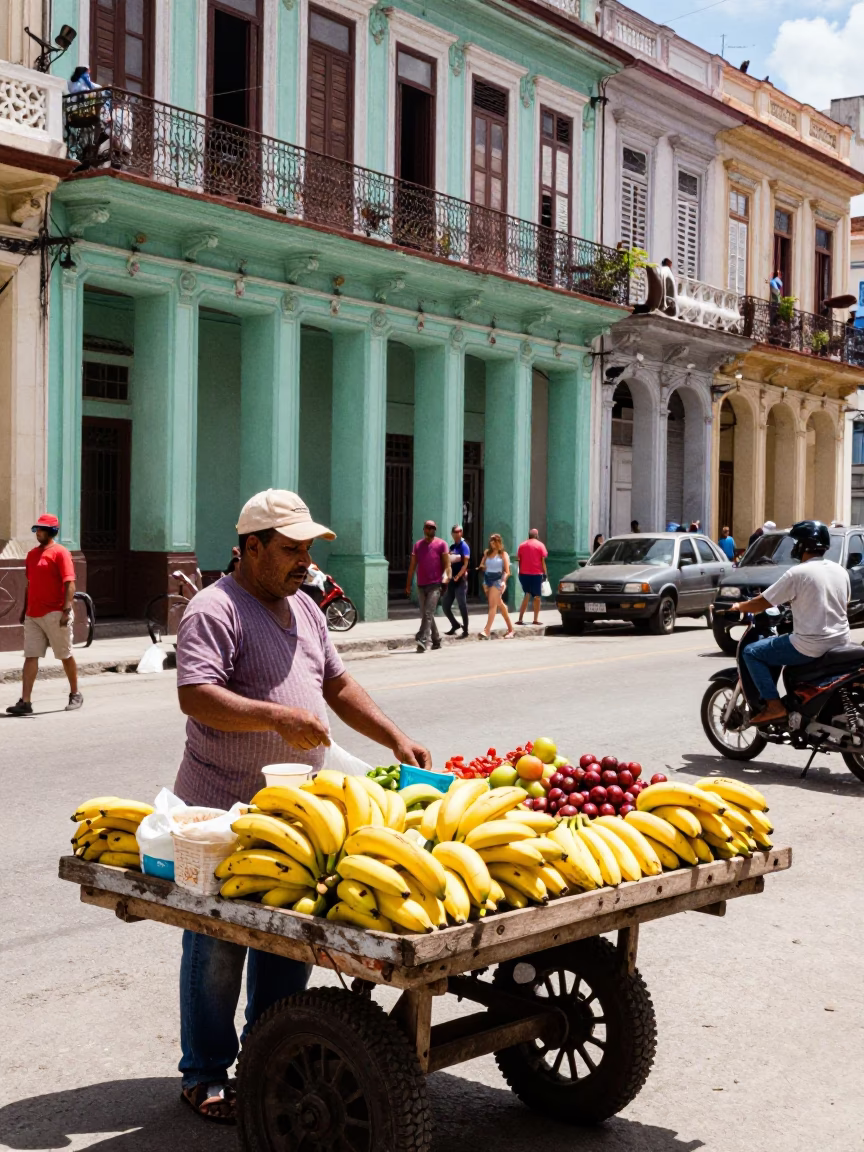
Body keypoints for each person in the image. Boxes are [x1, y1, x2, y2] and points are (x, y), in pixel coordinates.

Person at [173, 488, 429, 1122]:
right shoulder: (215, 609)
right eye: (290, 550)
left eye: (307, 550)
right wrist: (275, 717)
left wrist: (393, 735)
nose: (303, 562)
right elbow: (196, 695)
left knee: (289, 942)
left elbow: (336, 684)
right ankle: (203, 1070)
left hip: (294, 814)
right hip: (221, 812)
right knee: (218, 946)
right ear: (251, 547)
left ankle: (271, 1055)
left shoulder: (307, 609)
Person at [731, 520, 850, 726]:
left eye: (796, 543)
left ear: (804, 545)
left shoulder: (798, 573)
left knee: (752, 652)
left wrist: (739, 607)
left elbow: (761, 603)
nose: (794, 547)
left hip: (810, 646)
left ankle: (774, 706)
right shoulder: (840, 570)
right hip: (841, 641)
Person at [6, 514, 83, 715]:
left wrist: (66, 610)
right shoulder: (32, 555)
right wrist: (24, 610)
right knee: (31, 656)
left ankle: (75, 693)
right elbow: (29, 584)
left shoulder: (61, 553)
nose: (38, 532)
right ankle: (25, 702)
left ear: (52, 532)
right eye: (37, 529)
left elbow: (70, 583)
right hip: (34, 614)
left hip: (56, 613)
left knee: (64, 655)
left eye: (41, 529)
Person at [405, 520, 451, 653]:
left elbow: (447, 565)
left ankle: (422, 639)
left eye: (433, 528)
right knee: (426, 614)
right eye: (428, 527)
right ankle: (436, 640)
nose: (431, 529)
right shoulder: (418, 545)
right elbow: (412, 566)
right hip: (421, 584)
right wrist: (408, 584)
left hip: (435, 585)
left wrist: (446, 580)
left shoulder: (442, 544)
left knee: (428, 613)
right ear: (424, 529)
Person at [478, 533, 514, 639]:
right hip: (487, 579)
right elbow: (482, 565)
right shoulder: (487, 553)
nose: (492, 544)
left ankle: (487, 630)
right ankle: (511, 630)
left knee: (492, 605)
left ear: (499, 542)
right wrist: (482, 566)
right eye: (491, 541)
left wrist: (503, 581)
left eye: (494, 542)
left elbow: (507, 571)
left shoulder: (503, 554)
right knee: (500, 605)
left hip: (498, 580)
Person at [442, 525, 470, 637]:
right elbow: (448, 562)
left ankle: (466, 629)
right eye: (455, 532)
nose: (457, 533)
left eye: (459, 531)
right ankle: (455, 624)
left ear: (461, 533)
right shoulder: (453, 546)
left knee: (462, 604)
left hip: (461, 580)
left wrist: (458, 575)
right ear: (452, 534)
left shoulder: (464, 546)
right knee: (445, 605)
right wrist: (447, 576)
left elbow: (466, 564)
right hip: (452, 580)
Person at [516, 528, 548, 626]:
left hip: (524, 574)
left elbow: (519, 560)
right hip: (536, 574)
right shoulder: (540, 545)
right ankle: (535, 619)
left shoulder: (522, 545)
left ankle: (520, 619)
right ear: (537, 536)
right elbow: (543, 561)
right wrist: (545, 573)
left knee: (526, 594)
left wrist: (520, 572)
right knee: (537, 597)